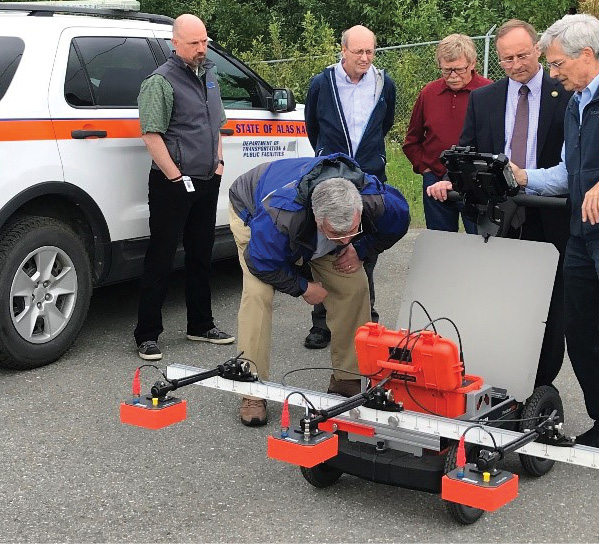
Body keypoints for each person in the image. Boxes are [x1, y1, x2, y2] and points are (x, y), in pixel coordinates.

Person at [511, 14, 599, 484]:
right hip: (582, 236)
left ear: (587, 55)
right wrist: (519, 175)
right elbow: (565, 175)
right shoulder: (576, 103)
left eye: (558, 63)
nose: (553, 73)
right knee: (581, 332)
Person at [428, 19, 572, 390]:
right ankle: (498, 375)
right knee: (500, 300)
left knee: (548, 304)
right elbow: (469, 149)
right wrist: (452, 180)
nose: (515, 65)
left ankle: (541, 382)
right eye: (506, 59)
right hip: (499, 216)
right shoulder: (486, 98)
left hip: (551, 213)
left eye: (522, 55)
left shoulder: (567, 91)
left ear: (538, 49)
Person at [229, 153, 409, 425]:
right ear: (316, 216)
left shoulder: (378, 200)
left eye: (351, 230)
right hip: (252, 207)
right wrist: (302, 287)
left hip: (310, 228)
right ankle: (251, 387)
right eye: (336, 234)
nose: (344, 239)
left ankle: (347, 378)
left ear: (359, 210)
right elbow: (261, 262)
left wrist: (360, 249)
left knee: (355, 286)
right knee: (258, 295)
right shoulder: (280, 214)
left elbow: (399, 223)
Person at [134, 14, 234, 361]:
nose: (201, 49)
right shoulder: (160, 81)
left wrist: (218, 163)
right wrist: (175, 177)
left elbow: (216, 124)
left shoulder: (209, 77)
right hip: (171, 183)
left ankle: (201, 324)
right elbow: (151, 134)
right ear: (174, 43)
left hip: (207, 179)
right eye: (193, 43)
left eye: (204, 41)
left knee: (201, 255)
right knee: (160, 258)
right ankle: (147, 334)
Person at [303, 25, 396, 351]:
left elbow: (385, 125)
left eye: (370, 51)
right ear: (343, 50)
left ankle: (365, 317)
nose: (365, 58)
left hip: (369, 178)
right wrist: (329, 159)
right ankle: (322, 323)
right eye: (358, 51)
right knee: (326, 245)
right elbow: (313, 127)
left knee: (364, 246)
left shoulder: (385, 85)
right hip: (332, 177)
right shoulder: (321, 84)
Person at [402, 33, 491, 233]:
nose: (452, 75)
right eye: (446, 70)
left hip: (476, 181)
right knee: (440, 243)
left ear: (472, 63)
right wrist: (425, 169)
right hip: (435, 179)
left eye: (459, 69)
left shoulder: (489, 92)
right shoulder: (429, 93)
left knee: (481, 241)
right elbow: (411, 141)